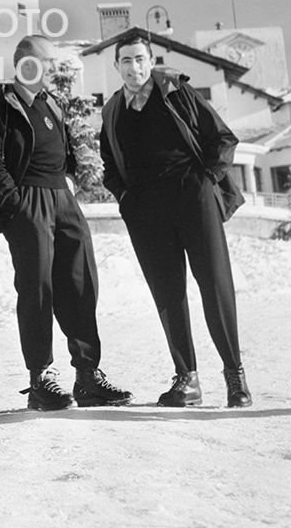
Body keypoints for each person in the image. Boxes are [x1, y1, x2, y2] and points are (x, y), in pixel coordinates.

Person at [0, 35, 132, 411]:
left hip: (63, 200)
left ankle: (88, 376)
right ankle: (40, 378)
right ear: (26, 62)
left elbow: (66, 152)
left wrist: (69, 182)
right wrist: (16, 205)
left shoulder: (51, 104)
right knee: (37, 288)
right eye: (45, 62)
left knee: (80, 283)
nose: (50, 70)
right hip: (29, 203)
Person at [98, 35, 252, 408]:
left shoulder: (176, 92)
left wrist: (205, 181)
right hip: (145, 209)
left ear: (150, 61)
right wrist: (126, 198)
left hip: (191, 196)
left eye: (139, 59)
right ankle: (188, 379)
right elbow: (109, 164)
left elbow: (222, 138)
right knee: (167, 293)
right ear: (116, 66)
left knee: (214, 283)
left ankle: (235, 377)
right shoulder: (113, 110)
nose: (133, 67)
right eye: (125, 61)